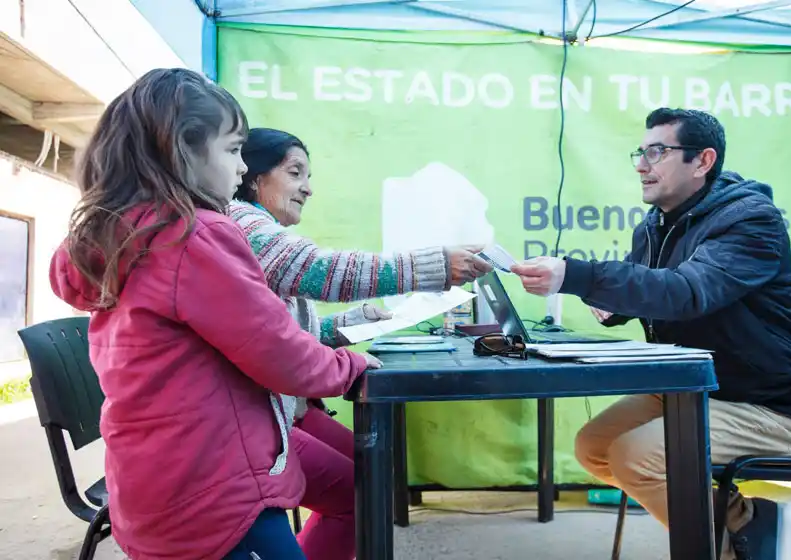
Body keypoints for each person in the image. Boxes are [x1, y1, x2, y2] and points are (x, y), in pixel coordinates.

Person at [49, 68, 381, 560]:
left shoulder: (118, 238)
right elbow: (276, 350)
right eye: (232, 150)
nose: (243, 168)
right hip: (217, 489)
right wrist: (350, 367)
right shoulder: (193, 236)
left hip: (151, 481)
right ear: (183, 149)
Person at [511, 108, 791, 560]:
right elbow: (653, 290)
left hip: (763, 407)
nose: (641, 164)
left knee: (637, 457)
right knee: (593, 448)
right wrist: (614, 305)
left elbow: (689, 291)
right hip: (696, 389)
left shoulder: (752, 221)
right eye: (641, 151)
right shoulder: (656, 225)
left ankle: (732, 548)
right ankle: (748, 522)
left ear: (702, 160)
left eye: (658, 151)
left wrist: (576, 275)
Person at [227, 127, 493, 560]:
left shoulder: (253, 229)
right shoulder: (242, 221)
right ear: (252, 175)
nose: (308, 188)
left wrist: (354, 322)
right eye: (295, 173)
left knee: (372, 476)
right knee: (360, 491)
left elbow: (288, 336)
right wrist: (433, 265)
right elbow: (314, 270)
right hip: (259, 417)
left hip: (281, 406)